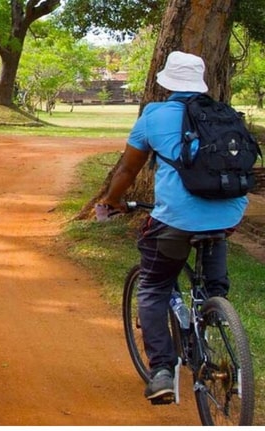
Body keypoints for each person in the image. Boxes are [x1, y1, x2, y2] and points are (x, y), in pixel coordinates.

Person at [97, 51, 248, 402]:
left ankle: (163, 371)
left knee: (152, 287)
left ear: (167, 83)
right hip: (229, 214)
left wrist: (111, 201)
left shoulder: (154, 115)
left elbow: (127, 170)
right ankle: (218, 323)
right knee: (213, 283)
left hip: (177, 221)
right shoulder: (224, 114)